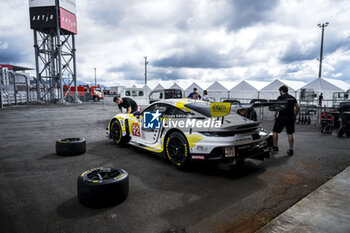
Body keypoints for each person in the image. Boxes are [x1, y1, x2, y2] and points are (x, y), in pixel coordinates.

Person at [272, 85, 300, 155]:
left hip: (282, 117)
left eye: (280, 91)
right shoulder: (292, 98)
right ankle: (291, 150)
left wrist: (275, 116)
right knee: (290, 133)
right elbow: (298, 107)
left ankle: (275, 147)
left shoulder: (280, 97)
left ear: (281, 91)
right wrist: (295, 115)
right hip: (290, 117)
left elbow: (277, 107)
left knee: (275, 131)